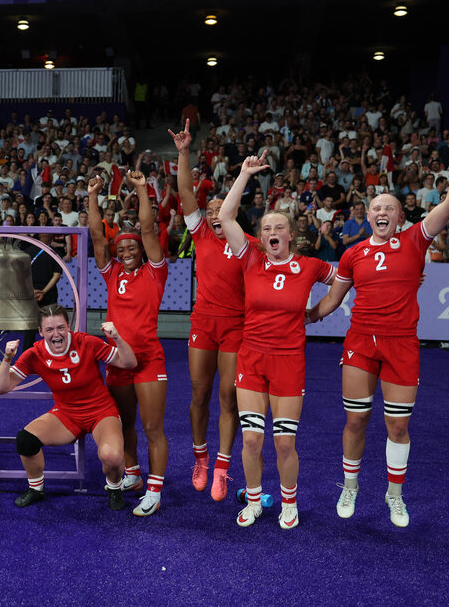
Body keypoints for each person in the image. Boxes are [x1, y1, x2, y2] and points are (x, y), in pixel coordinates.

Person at [309, 131, 449, 528]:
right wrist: (304, 316)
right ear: (369, 213)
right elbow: (331, 302)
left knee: (398, 425)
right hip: (360, 343)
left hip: (401, 344)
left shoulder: (416, 240)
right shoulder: (353, 254)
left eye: (390, 207)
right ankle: (350, 486)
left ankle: (394, 495)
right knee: (355, 421)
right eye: (376, 206)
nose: (382, 211)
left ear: (400, 217)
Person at [218, 150, 336, 530]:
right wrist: (244, 173)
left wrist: (317, 313)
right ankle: (254, 501)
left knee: (284, 443)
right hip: (251, 358)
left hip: (289, 362)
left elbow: (349, 280)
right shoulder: (251, 257)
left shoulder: (309, 266)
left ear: (291, 234)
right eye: (266, 228)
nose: (271, 234)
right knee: (251, 440)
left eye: (278, 228)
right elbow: (224, 216)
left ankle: (289, 501)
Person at [170, 120, 255, 501]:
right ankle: (200, 458)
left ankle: (222, 465)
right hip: (203, 324)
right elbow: (185, 190)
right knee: (199, 393)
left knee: (228, 396)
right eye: (212, 209)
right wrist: (184, 153)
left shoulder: (249, 244)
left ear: (233, 213)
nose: (216, 213)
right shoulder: (200, 232)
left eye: (223, 208)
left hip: (236, 327)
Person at [87, 161, 169, 517]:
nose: (125, 253)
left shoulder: (155, 272)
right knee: (124, 423)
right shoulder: (112, 274)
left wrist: (140, 190)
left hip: (149, 356)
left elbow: (148, 228)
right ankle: (133, 475)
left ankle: (155, 490)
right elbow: (96, 238)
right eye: (121, 250)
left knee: (153, 426)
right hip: (117, 359)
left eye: (130, 248)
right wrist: (91, 197)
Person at [0, 305, 136, 510]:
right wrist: (7, 358)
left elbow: (129, 363)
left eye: (60, 327)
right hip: (67, 414)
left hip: (101, 412)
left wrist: (117, 338)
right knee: (25, 440)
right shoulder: (35, 353)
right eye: (49, 330)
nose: (56, 334)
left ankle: (114, 487)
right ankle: (36, 488)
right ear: (40, 331)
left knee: (112, 457)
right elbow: (1, 388)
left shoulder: (85, 342)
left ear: (68, 326)